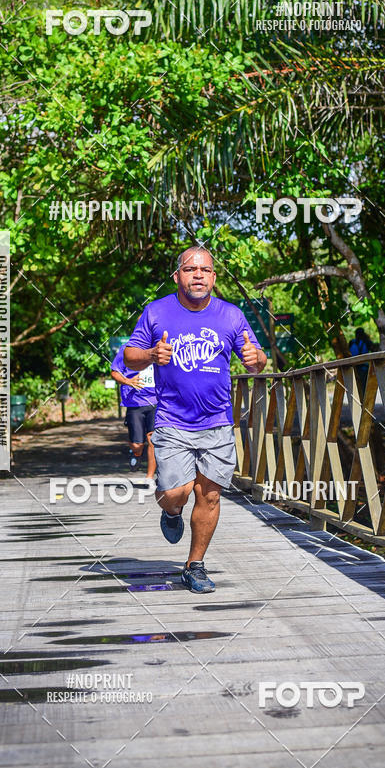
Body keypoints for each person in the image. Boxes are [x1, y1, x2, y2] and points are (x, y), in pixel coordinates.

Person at [124, 245, 267, 594]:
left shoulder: (231, 315)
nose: (198, 275)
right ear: (178, 276)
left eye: (205, 270)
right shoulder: (157, 312)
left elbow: (256, 358)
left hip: (217, 421)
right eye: (190, 269)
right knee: (176, 492)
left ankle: (194, 565)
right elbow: (129, 357)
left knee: (211, 496)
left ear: (214, 278)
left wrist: (256, 359)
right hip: (173, 420)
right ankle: (171, 512)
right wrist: (150, 354)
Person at [111, 343, 157, 479]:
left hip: (156, 401)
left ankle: (149, 477)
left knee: (153, 440)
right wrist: (127, 381)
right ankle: (136, 453)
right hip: (135, 403)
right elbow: (115, 372)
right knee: (138, 445)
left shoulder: (159, 349)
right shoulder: (127, 349)